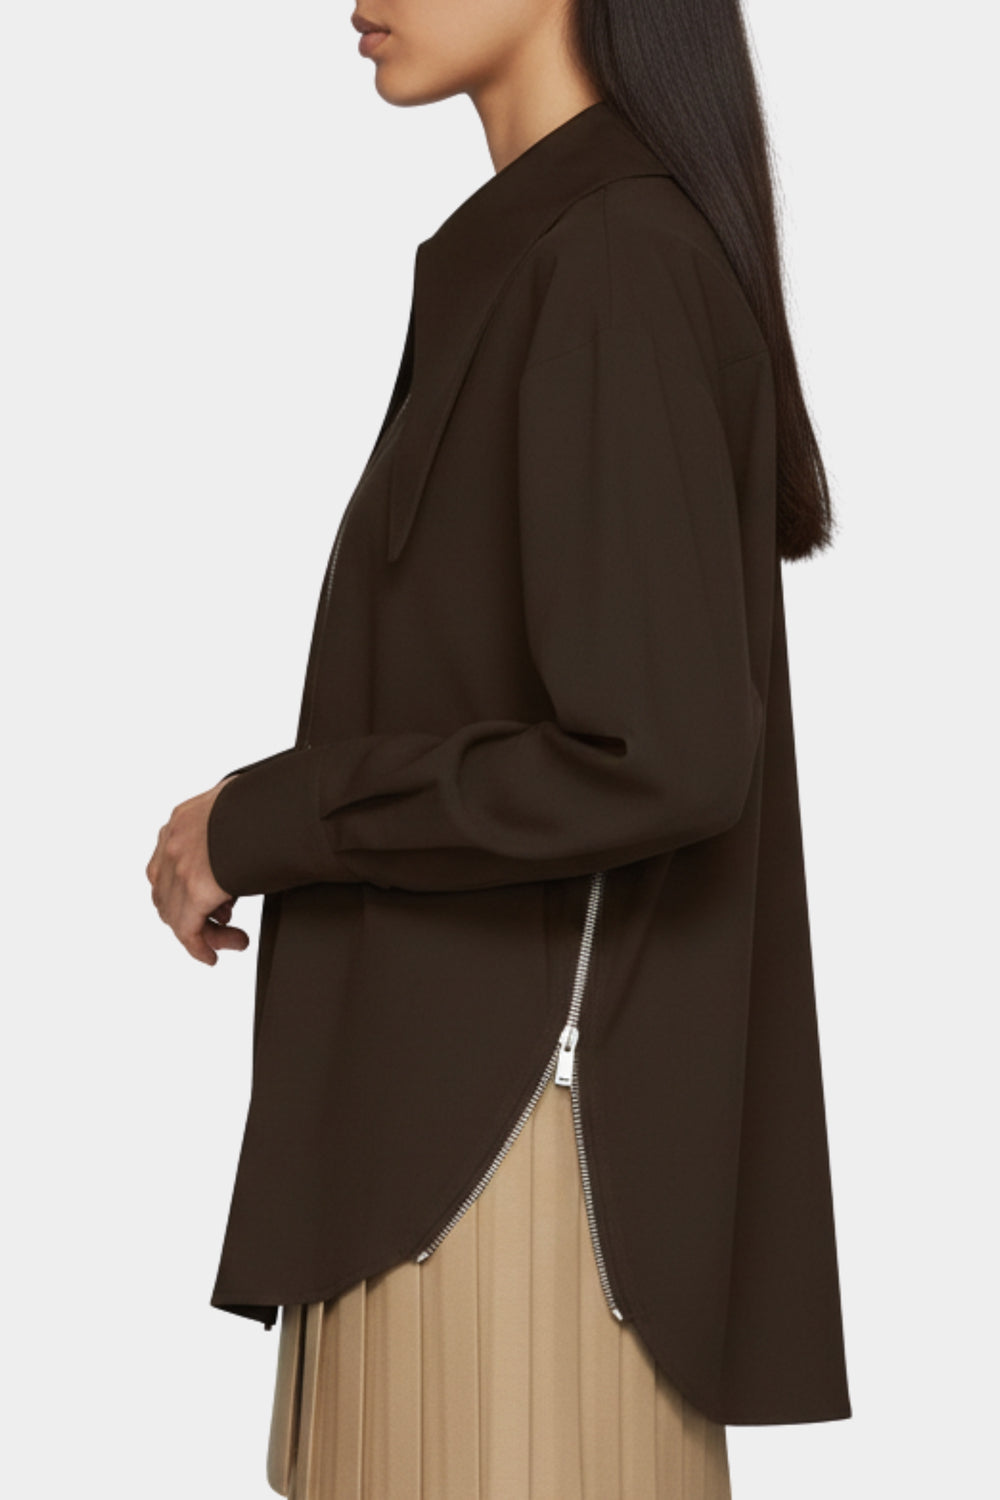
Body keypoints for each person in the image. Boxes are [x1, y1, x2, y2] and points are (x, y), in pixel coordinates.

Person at [146, 1, 852, 1493]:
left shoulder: (610, 262)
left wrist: (272, 819)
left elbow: (661, 753)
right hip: (446, 1181)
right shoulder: (558, 256)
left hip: (513, 1183)